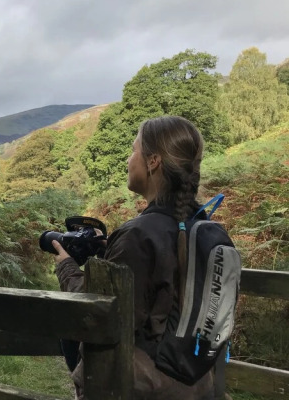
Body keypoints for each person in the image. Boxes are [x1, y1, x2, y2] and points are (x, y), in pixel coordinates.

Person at [52, 115, 216, 400]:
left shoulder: (138, 235)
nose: (129, 160)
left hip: (143, 387)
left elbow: (96, 314)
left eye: (133, 150)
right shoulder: (205, 228)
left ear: (153, 161)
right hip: (199, 382)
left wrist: (66, 265)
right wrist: (110, 251)